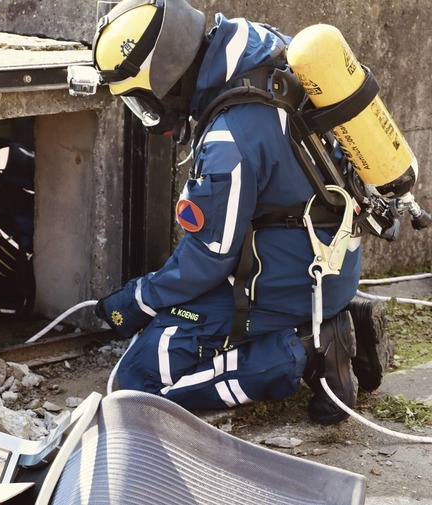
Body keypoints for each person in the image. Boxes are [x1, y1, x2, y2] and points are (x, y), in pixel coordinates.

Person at [90, 0, 389, 424]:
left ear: (166, 77)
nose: (150, 115)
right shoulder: (263, 48)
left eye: (144, 101)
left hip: (290, 283)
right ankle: (338, 319)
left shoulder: (229, 141)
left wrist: (137, 299)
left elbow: (208, 260)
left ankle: (303, 349)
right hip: (331, 265)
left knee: (135, 383)